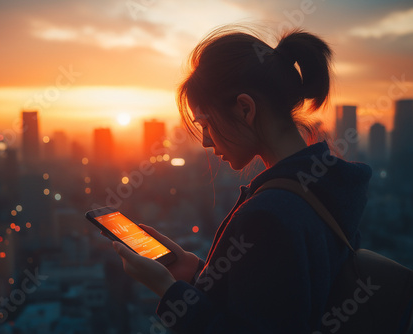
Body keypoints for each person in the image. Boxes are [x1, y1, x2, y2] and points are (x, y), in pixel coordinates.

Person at [111, 25, 372, 333]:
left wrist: (168, 291)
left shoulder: (269, 213)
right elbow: (275, 303)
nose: (206, 142)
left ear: (246, 109)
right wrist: (197, 273)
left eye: (206, 125)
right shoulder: (328, 186)